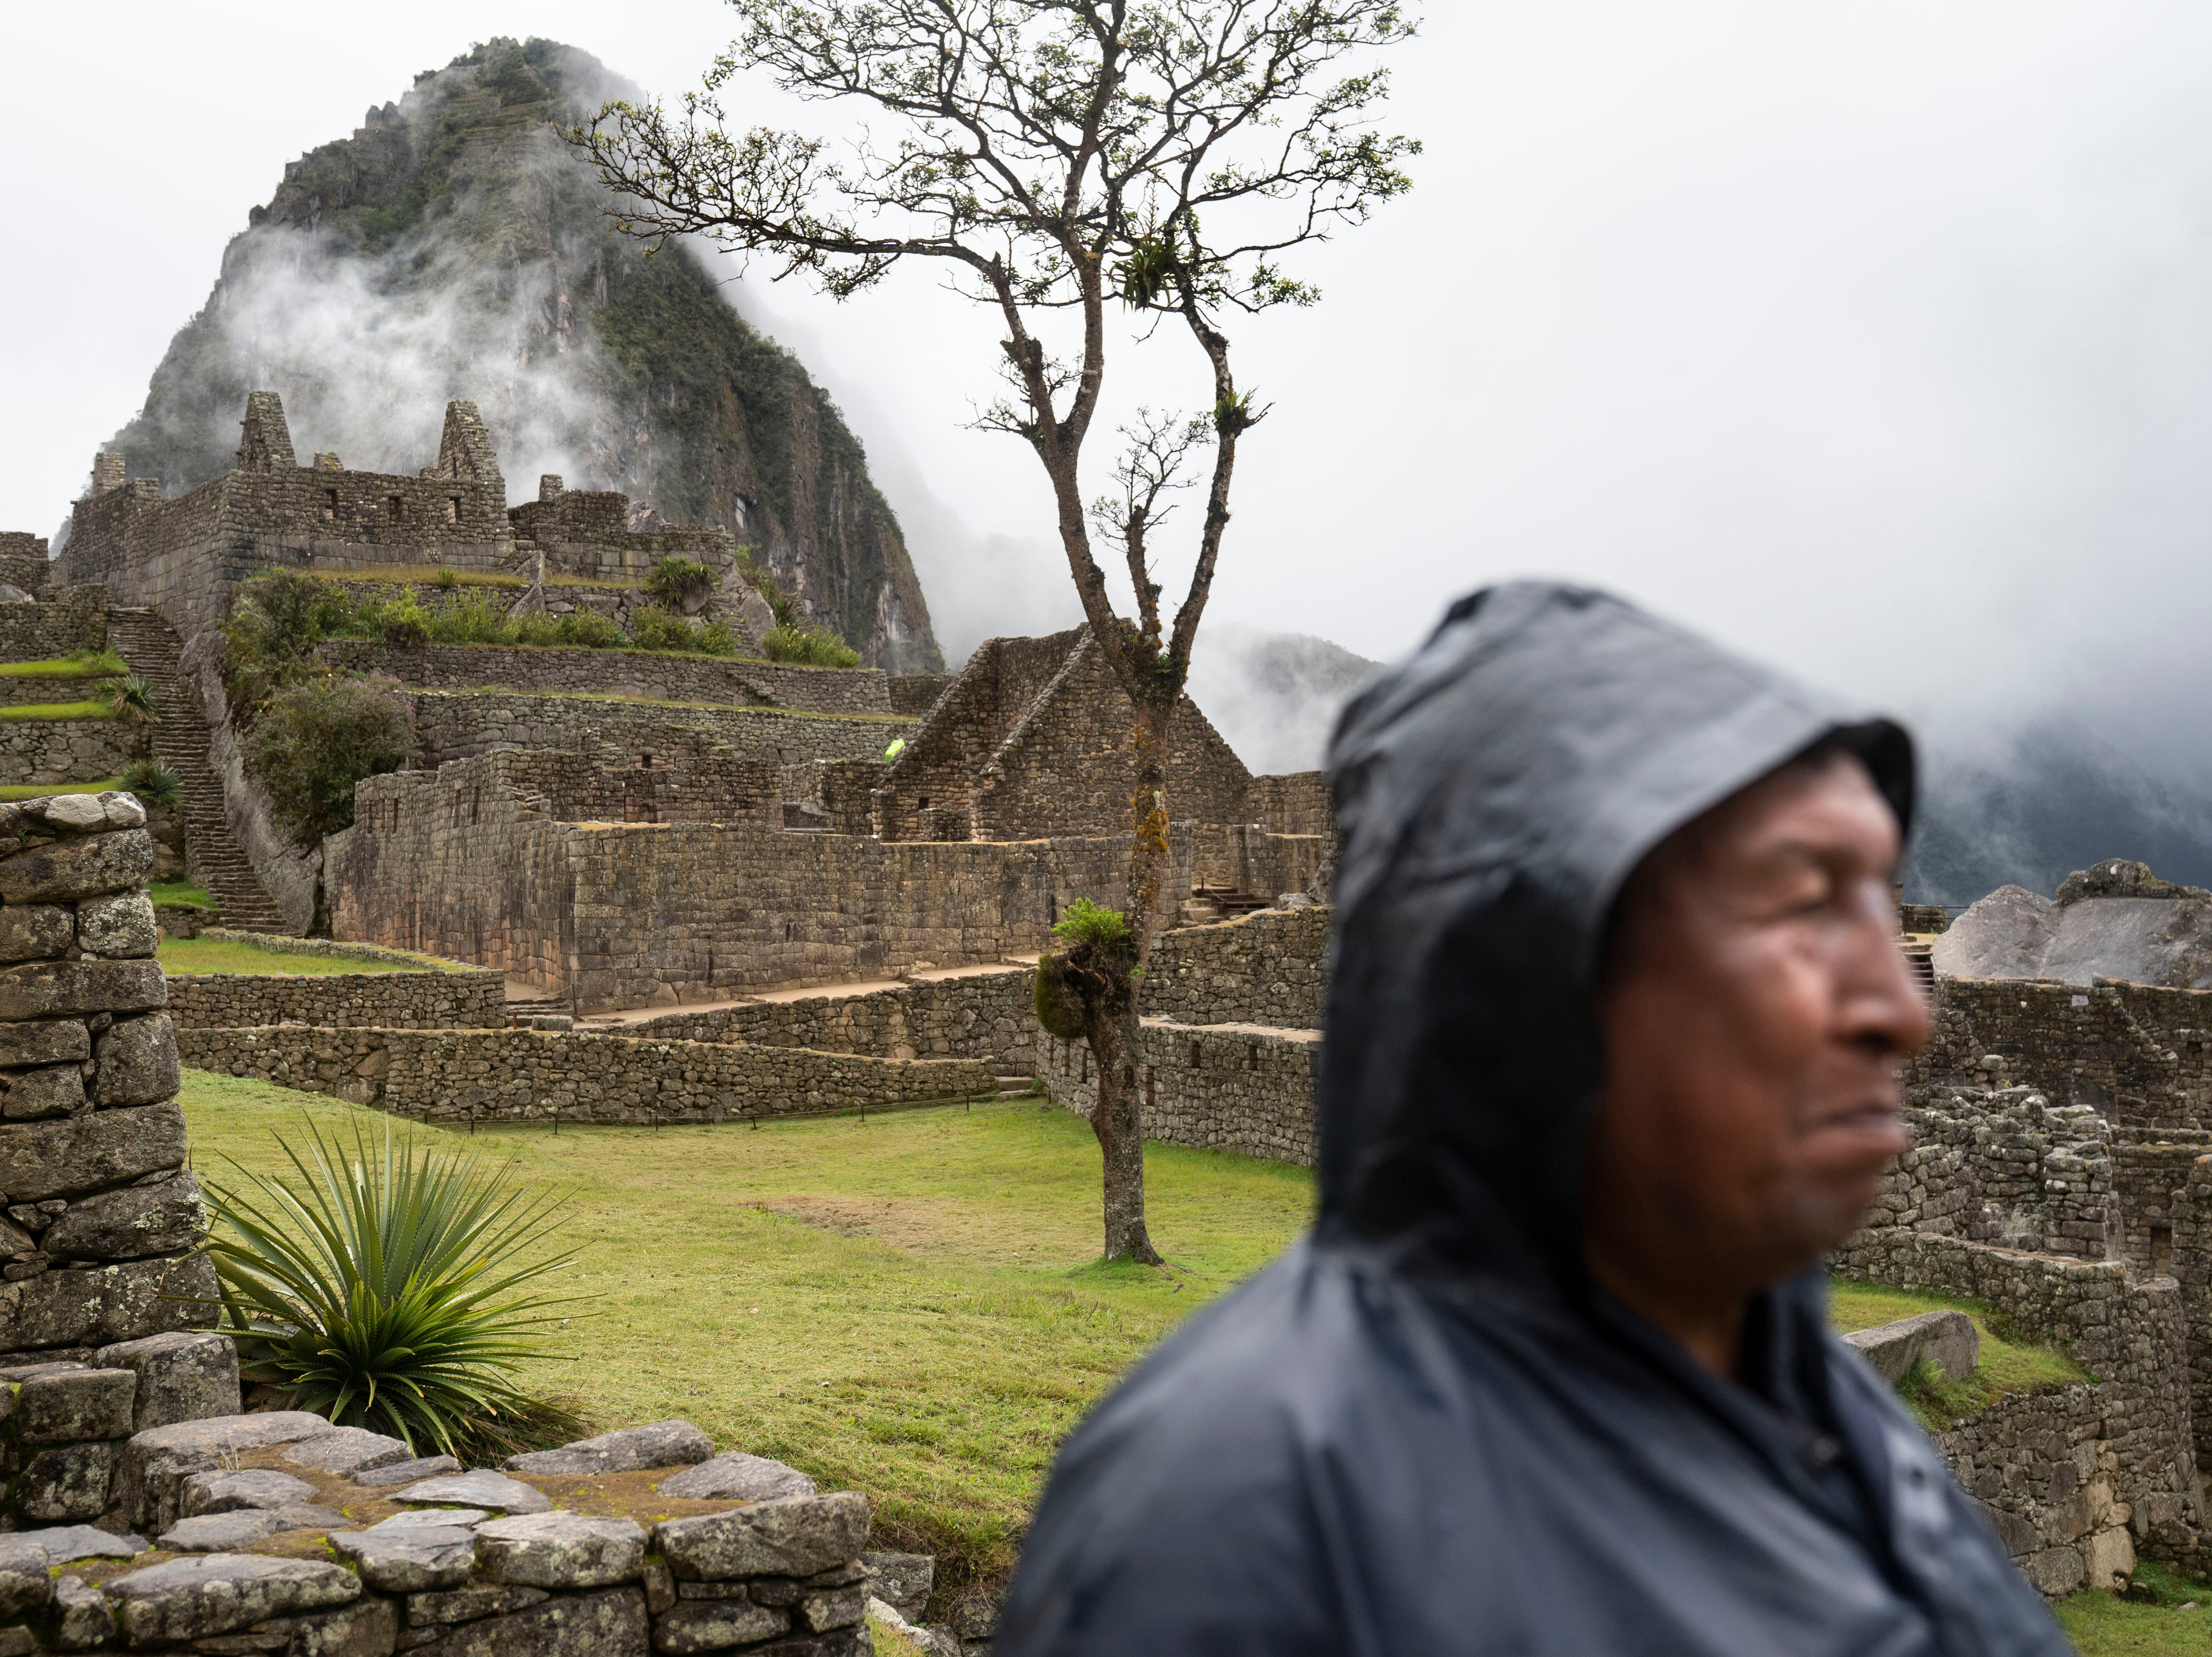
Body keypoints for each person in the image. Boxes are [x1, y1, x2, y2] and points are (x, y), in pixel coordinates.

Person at [995, 582, 2069, 1655]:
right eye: (1800, 906)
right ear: (1528, 967)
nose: (1896, 1010)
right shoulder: (1236, 1526)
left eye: (1879, 906)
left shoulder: (1827, 1412)